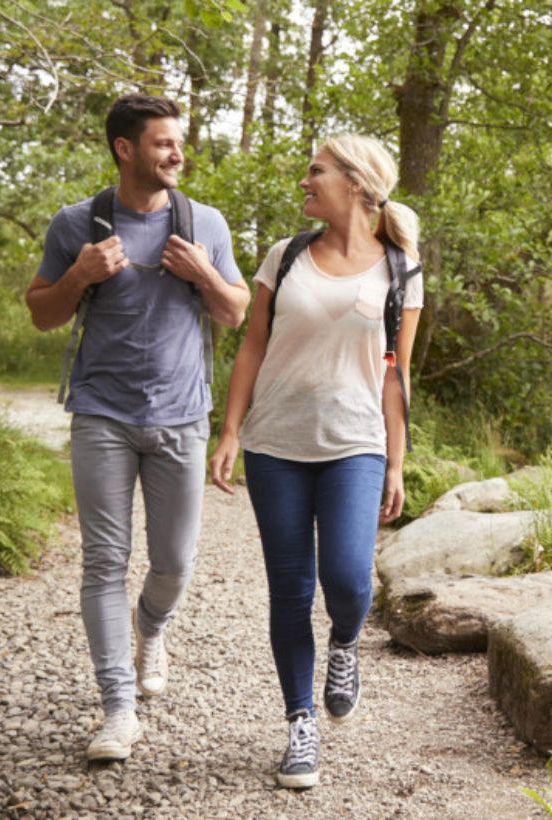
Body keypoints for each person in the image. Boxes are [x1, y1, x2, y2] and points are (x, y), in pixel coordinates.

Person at [26, 94, 249, 761]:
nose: (178, 153)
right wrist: (78, 274)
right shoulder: (76, 223)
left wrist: (204, 273)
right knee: (104, 561)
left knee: (174, 563)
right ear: (125, 149)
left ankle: (152, 626)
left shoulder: (204, 222)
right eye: (163, 143)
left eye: (179, 141)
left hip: (181, 417)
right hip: (102, 415)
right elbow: (42, 313)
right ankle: (117, 710)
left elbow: (235, 312)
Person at [209, 134, 423, 789]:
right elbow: (252, 346)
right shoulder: (286, 256)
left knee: (349, 579)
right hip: (275, 444)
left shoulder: (401, 269)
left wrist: (395, 462)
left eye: (315, 171)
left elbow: (397, 373)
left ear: (356, 185)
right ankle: (300, 724)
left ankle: (344, 643)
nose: (304, 182)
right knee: (291, 590)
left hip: (356, 444)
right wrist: (231, 430)